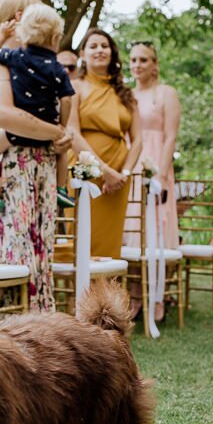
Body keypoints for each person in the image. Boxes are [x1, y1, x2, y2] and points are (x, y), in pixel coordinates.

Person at [0, 0, 74, 312]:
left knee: (42, 241)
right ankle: (16, 318)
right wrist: (56, 132)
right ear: (19, 17)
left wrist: (66, 135)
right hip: (16, 164)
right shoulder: (6, 62)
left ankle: (41, 315)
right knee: (17, 241)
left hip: (45, 164)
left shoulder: (46, 64)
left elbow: (67, 107)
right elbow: (4, 115)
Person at [0, 3, 75, 216]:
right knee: (63, 153)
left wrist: (1, 34)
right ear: (54, 39)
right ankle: (62, 189)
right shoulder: (57, 68)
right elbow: (67, 100)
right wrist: (62, 124)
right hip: (49, 127)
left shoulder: (15, 58)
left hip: (14, 133)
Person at [67, 28, 142, 259]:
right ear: (83, 53)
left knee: (110, 245)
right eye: (93, 46)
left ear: (112, 52)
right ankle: (80, 294)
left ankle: (108, 295)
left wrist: (123, 173)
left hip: (118, 177)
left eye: (104, 46)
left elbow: (138, 139)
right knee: (82, 239)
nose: (100, 50)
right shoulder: (74, 87)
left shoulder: (125, 93)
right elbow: (72, 132)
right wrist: (104, 171)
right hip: (85, 171)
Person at [127, 40, 181, 320]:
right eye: (133, 60)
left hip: (155, 166)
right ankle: (136, 295)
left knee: (157, 230)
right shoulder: (126, 94)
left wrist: (160, 172)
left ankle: (158, 295)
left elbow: (171, 135)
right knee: (133, 232)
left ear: (154, 64)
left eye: (143, 60)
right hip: (131, 166)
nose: (137, 65)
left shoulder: (165, 93)